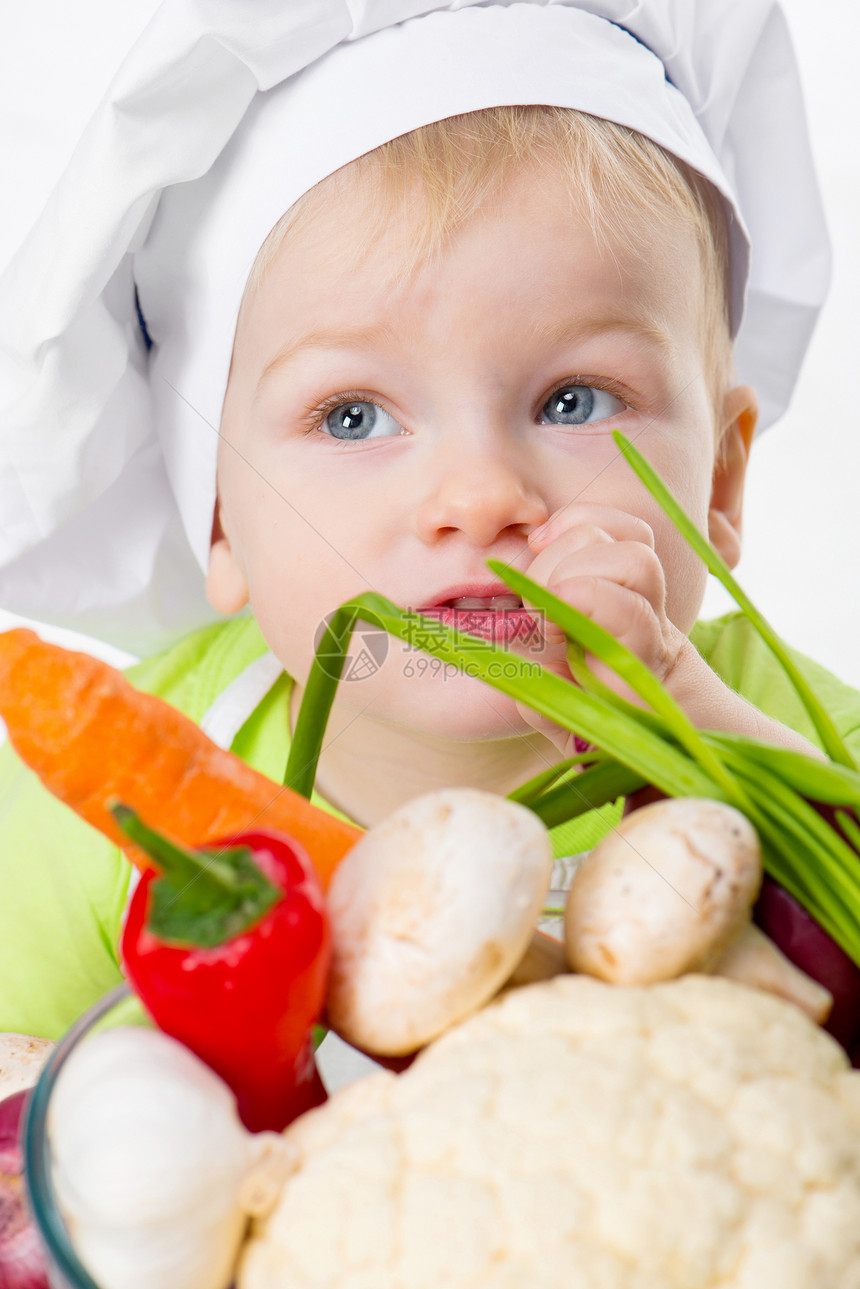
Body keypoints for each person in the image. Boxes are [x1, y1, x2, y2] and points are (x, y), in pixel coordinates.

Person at [0, 0, 857, 1039]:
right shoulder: (85, 805)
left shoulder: (809, 737)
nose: (479, 493)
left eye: (573, 400)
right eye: (353, 416)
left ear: (719, 485)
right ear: (217, 516)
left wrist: (687, 714)